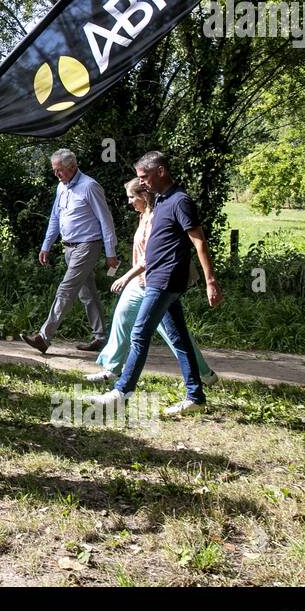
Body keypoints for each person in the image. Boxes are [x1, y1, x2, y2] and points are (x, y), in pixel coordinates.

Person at [85, 151, 224, 418]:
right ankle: (195, 396)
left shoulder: (181, 201)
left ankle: (121, 392)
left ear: (160, 171)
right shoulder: (161, 200)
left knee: (139, 334)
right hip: (156, 278)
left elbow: (199, 242)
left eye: (145, 176)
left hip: (166, 279)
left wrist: (211, 281)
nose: (142, 182)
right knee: (179, 338)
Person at [21, 148, 118, 354]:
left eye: (60, 171)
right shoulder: (61, 187)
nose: (57, 175)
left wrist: (111, 252)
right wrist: (46, 245)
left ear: (73, 167)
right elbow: (55, 218)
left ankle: (44, 337)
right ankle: (101, 337)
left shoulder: (90, 186)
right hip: (69, 248)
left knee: (65, 289)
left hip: (88, 246)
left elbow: (105, 220)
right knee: (87, 292)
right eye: (54, 171)